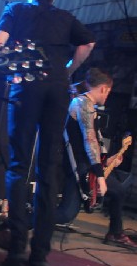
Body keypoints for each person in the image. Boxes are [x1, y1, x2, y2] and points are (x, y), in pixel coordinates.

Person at [0, 0, 95, 266]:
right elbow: (88, 45)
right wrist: (68, 70)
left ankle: (17, 248)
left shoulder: (16, 10)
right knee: (48, 167)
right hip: (57, 89)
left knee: (18, 164)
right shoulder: (66, 18)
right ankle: (40, 253)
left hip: (27, 86)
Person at [56, 68, 136, 247]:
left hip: (88, 165)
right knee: (65, 214)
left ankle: (115, 233)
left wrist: (108, 160)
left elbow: (95, 145)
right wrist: (100, 176)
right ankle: (18, 221)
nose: (108, 95)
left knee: (118, 191)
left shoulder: (89, 106)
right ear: (103, 89)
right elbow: (88, 141)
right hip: (80, 168)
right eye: (108, 91)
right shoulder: (82, 104)